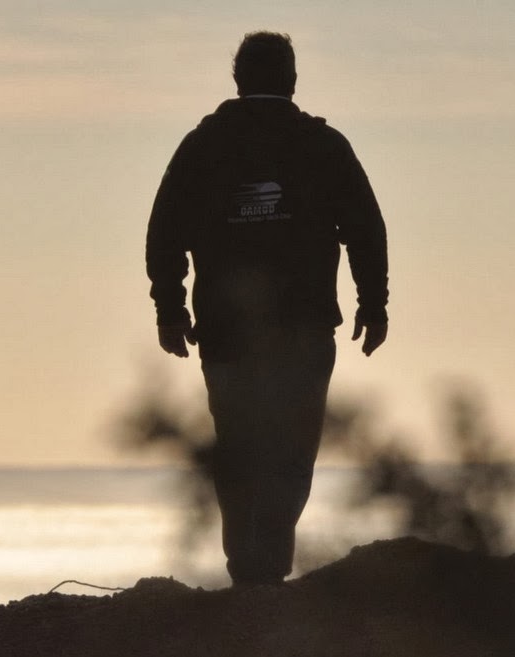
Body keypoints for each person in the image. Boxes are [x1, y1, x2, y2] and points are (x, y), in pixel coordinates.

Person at [145, 31, 389, 585]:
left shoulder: (202, 146)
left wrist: (170, 310)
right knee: (292, 449)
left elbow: (163, 234)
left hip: (225, 330)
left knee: (235, 446)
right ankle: (267, 572)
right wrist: (373, 305)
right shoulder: (323, 146)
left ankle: (249, 572)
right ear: (293, 80)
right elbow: (365, 232)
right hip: (303, 329)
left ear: (237, 81)